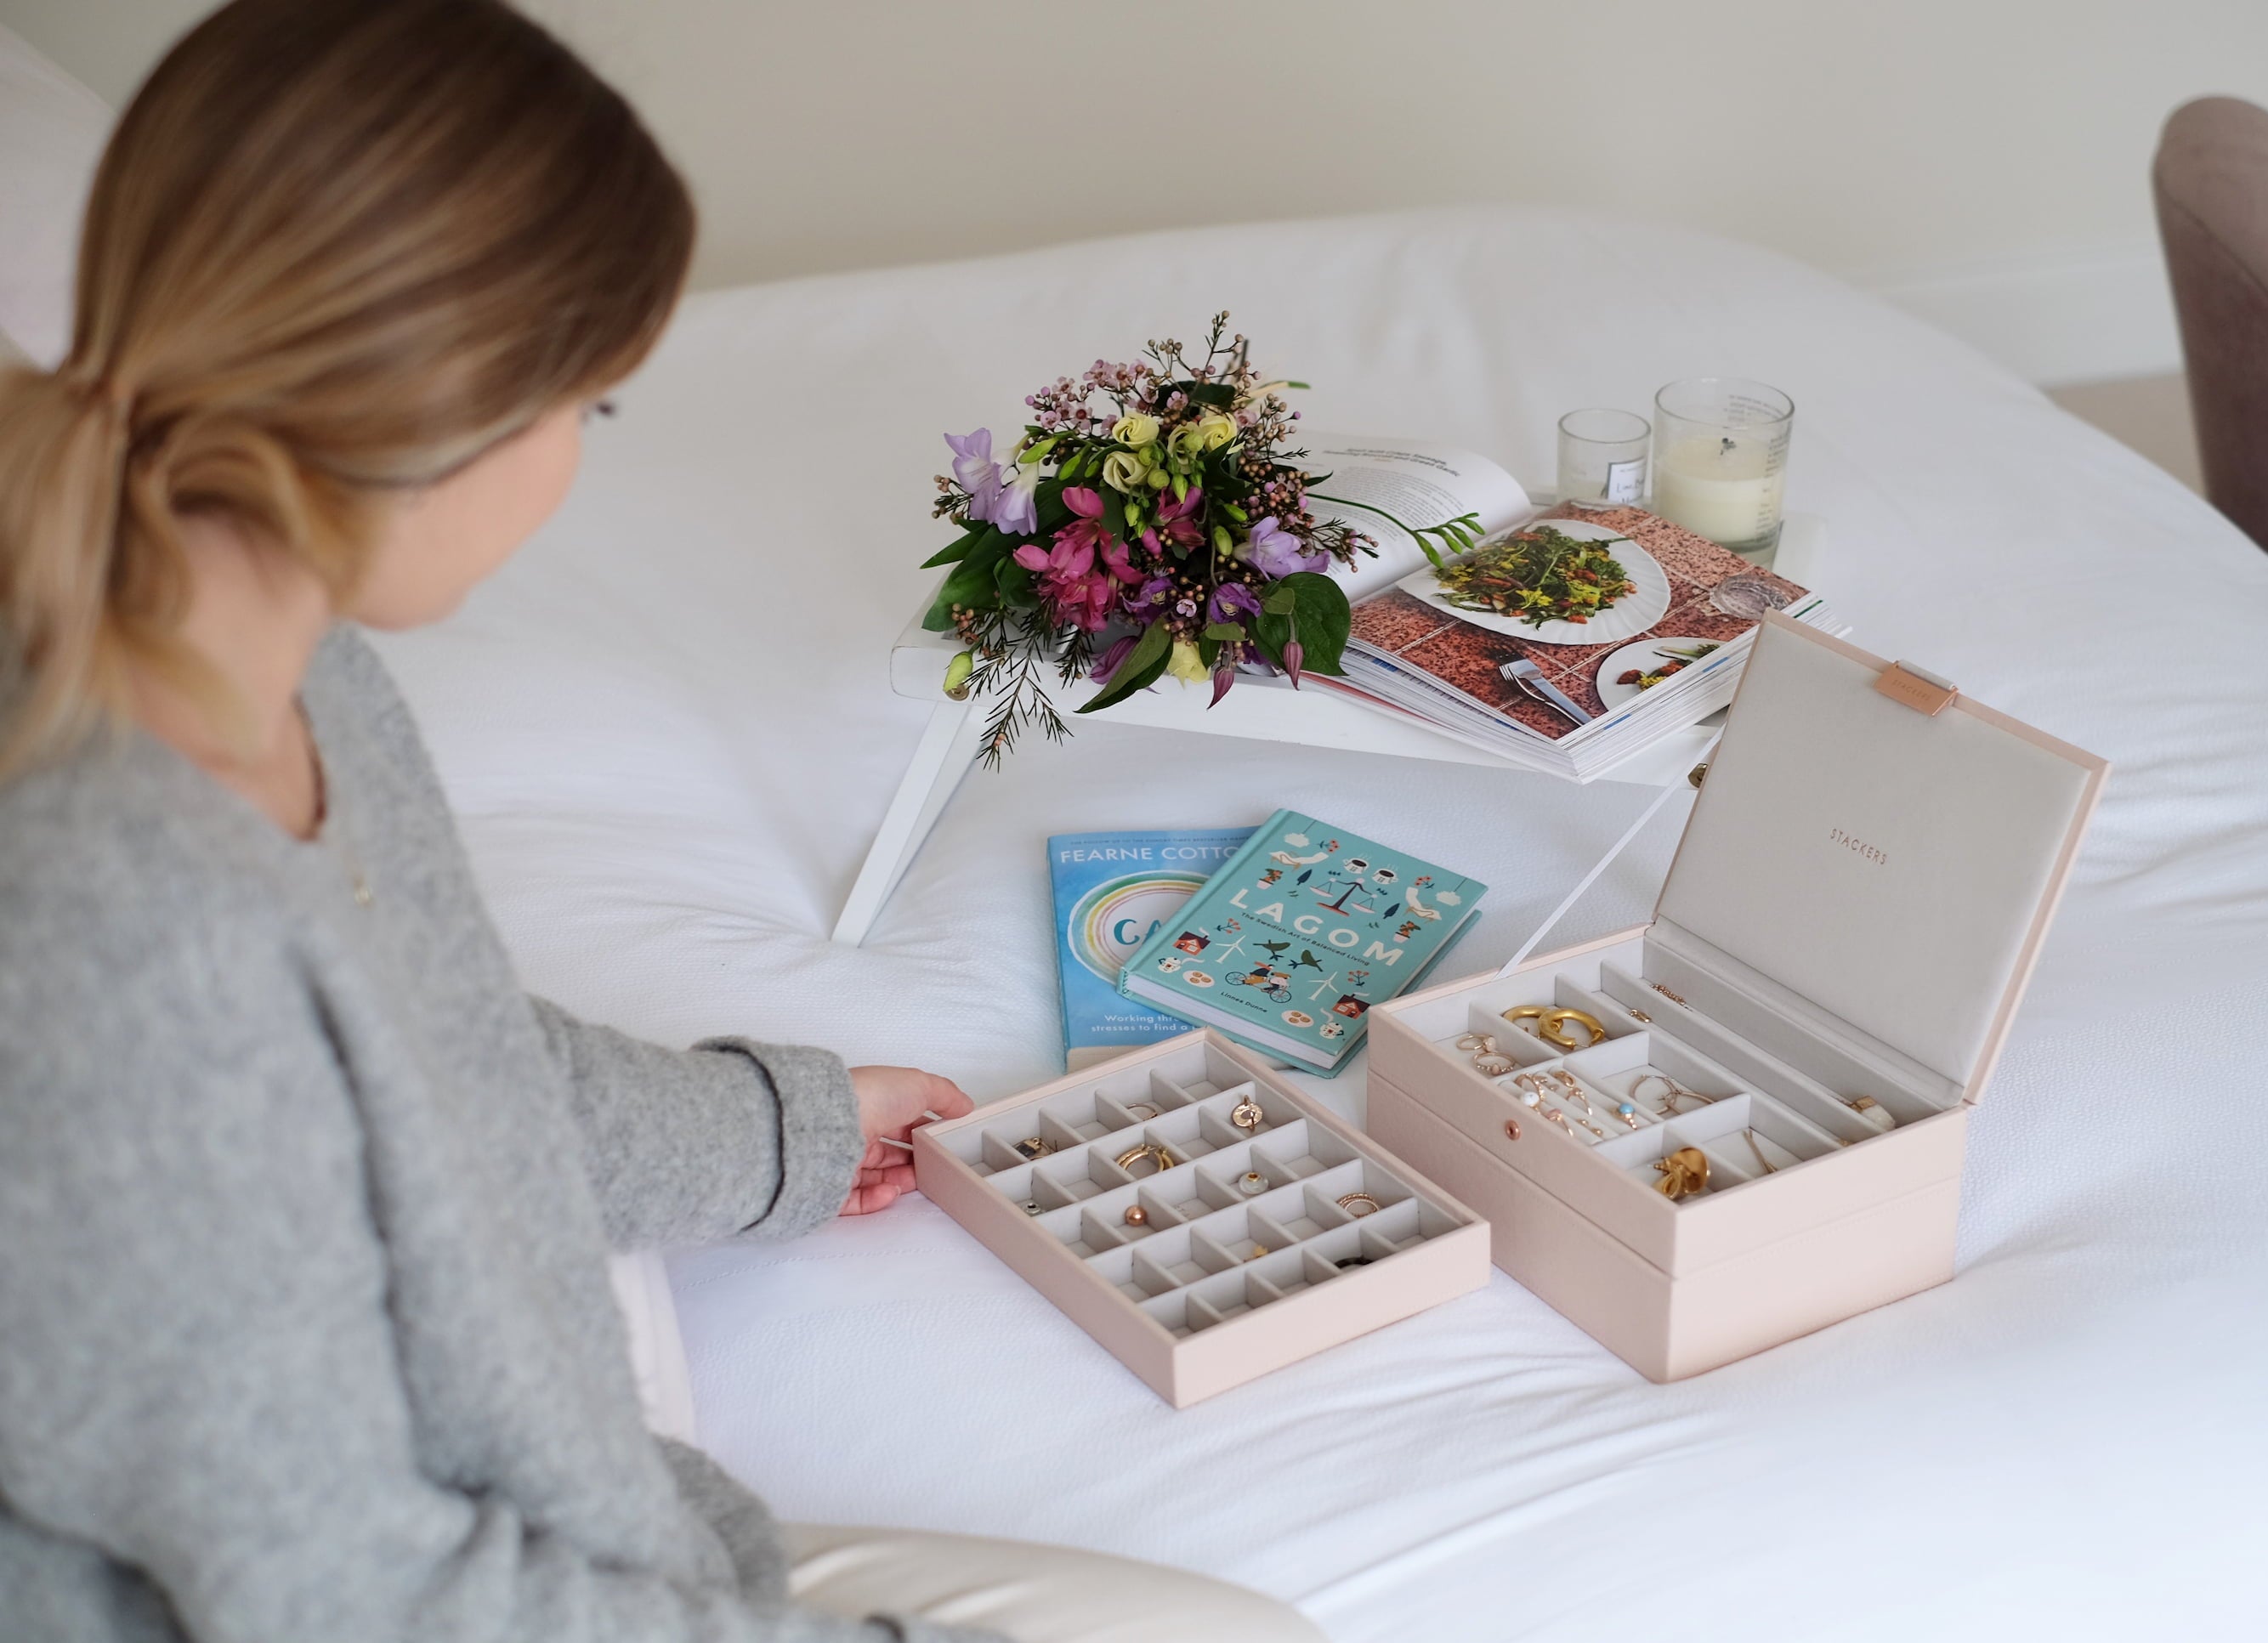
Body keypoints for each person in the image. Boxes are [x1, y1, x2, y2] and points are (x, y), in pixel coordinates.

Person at [0, 3, 1324, 1640]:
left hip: (586, 1540)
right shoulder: (125, 939)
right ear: (433, 400)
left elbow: (446, 1061)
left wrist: (777, 1132)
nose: (572, 462)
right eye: (588, 405)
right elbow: (352, 1597)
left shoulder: (296, 664)